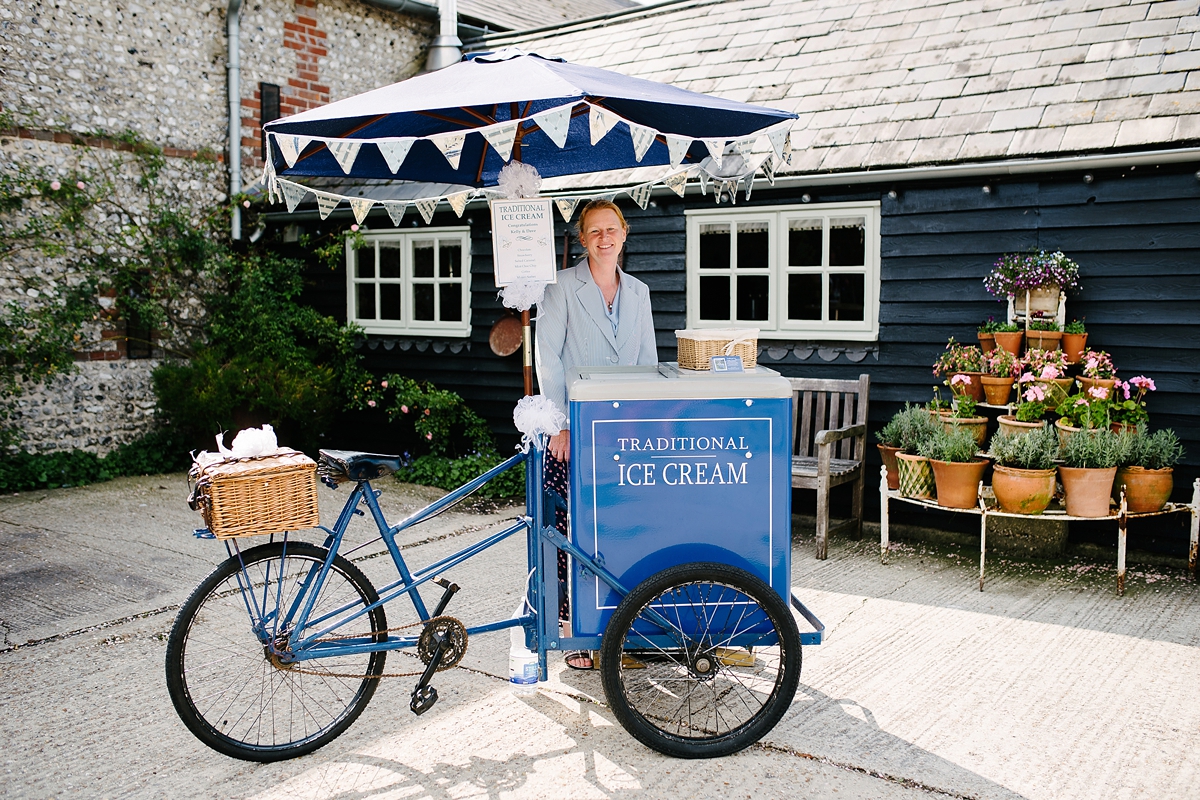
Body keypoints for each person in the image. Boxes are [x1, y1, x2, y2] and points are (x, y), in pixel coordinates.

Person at [535, 199, 658, 670]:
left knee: (620, 530)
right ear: (582, 239)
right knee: (573, 534)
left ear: (624, 234)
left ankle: (620, 631)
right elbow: (550, 359)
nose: (604, 238)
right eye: (594, 231)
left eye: (612, 229)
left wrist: (646, 425)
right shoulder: (562, 287)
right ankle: (576, 633)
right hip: (575, 433)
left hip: (623, 434)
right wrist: (561, 423)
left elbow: (647, 362)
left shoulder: (640, 293)